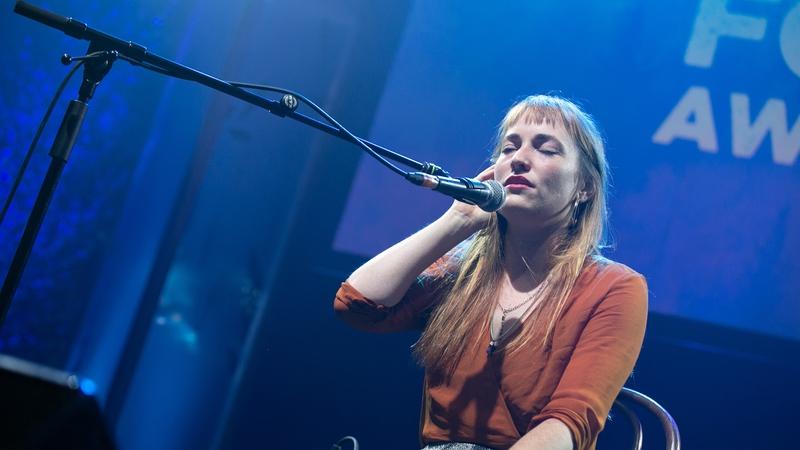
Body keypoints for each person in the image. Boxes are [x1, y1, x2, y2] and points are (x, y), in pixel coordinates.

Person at [334, 95, 648, 450]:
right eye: (508, 148)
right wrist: (457, 221)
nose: (518, 159)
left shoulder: (614, 288)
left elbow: (568, 424)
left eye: (546, 150)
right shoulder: (462, 271)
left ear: (585, 188)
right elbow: (357, 305)